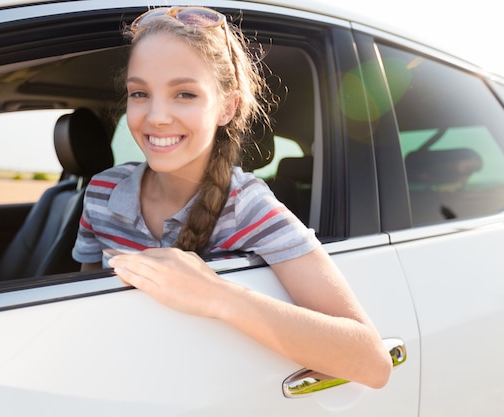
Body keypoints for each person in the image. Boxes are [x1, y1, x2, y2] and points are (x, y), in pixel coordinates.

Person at [72, 6, 392, 388]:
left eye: (185, 93)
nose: (156, 116)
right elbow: (83, 304)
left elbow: (372, 362)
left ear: (227, 107)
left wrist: (216, 295)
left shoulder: (249, 207)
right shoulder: (102, 192)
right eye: (140, 93)